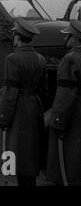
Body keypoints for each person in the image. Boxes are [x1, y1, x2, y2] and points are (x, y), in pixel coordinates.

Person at [0, 18, 47, 186]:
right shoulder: (40, 59)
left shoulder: (12, 59)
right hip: (34, 108)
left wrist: (3, 117)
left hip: (19, 111)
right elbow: (44, 89)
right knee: (30, 155)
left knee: (15, 153)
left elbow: (10, 92)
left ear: (17, 37)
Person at [47, 20, 81, 186]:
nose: (66, 38)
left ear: (74, 38)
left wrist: (58, 121)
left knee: (67, 162)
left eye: (68, 35)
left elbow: (65, 94)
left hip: (72, 116)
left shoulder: (70, 59)